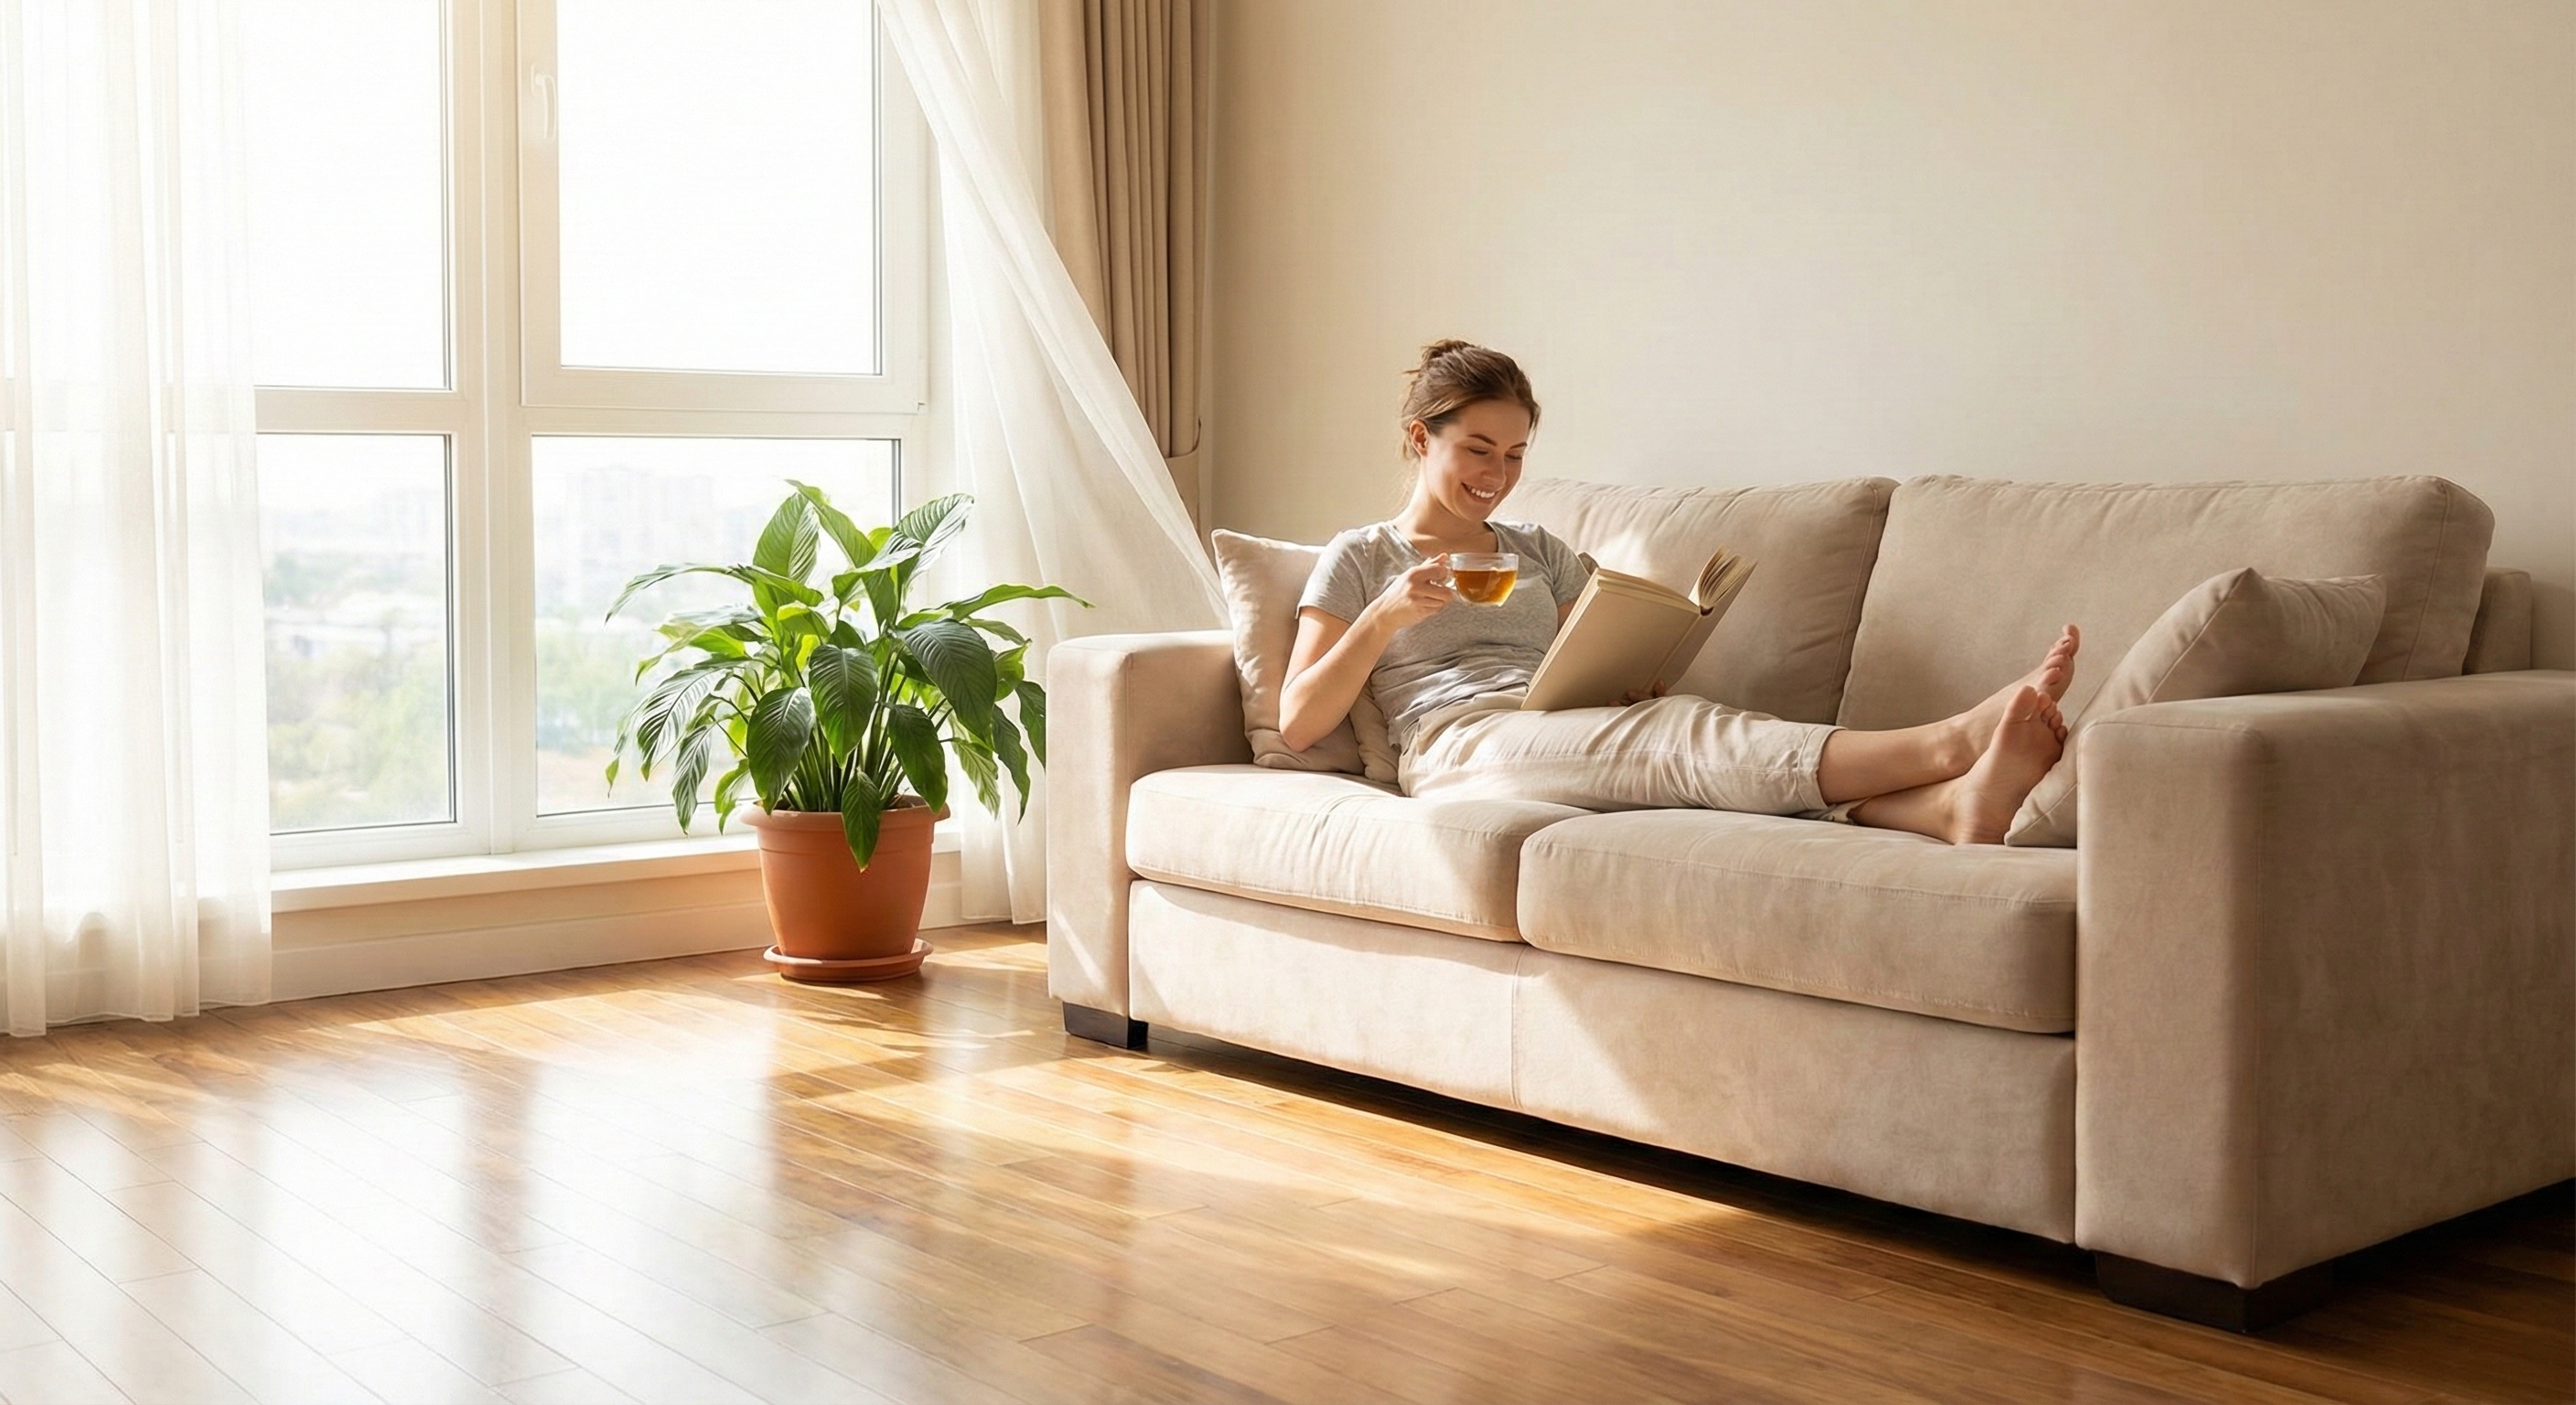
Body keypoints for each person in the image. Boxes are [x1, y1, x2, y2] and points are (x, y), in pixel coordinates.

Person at [1281, 339, 2078, 845]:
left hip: (1558, 725)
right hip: (1459, 744)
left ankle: (1947, 811)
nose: (1498, 477)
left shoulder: (1541, 550)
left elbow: (1583, 650)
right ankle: (1946, 744)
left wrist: (1632, 670)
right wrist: (1386, 615)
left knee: (1669, 748)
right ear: (1423, 439)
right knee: (1681, 736)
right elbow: (1300, 720)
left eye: (1517, 455)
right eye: (1478, 450)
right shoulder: (1362, 556)